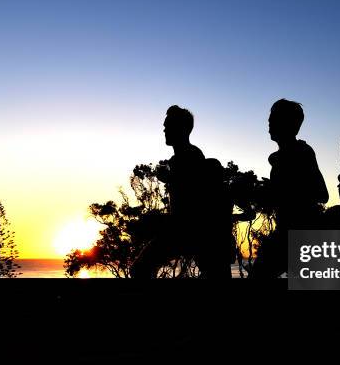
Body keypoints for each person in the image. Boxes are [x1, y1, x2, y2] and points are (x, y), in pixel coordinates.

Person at [131, 105, 233, 279]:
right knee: (141, 268)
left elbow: (196, 196)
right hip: (183, 229)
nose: (164, 129)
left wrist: (170, 179)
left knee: (140, 269)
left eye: (168, 125)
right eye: (165, 125)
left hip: (192, 231)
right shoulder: (179, 158)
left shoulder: (192, 156)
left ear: (184, 129)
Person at [250, 99, 329, 279]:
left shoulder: (303, 152)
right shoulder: (279, 157)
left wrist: (276, 190)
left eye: (274, 118)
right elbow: (279, 196)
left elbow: (321, 194)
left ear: (289, 124)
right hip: (285, 234)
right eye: (270, 118)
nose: (269, 122)